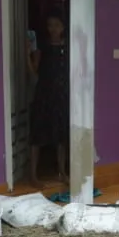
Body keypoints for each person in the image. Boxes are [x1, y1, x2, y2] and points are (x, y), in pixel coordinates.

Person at [27, 14, 69, 186]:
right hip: (43, 94)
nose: (53, 29)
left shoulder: (68, 46)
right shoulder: (41, 46)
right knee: (37, 135)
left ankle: (62, 172)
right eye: (50, 25)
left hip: (62, 95)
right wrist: (26, 54)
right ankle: (33, 175)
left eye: (57, 25)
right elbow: (34, 72)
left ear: (63, 27)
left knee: (62, 136)